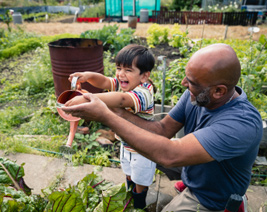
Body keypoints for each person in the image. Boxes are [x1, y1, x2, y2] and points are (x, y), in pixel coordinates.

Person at [62, 43, 263, 211]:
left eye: (191, 82)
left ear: (219, 91)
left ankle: (231, 204)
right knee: (147, 150)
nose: (184, 83)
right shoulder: (196, 95)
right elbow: (162, 131)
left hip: (211, 196)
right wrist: (119, 113)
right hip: (194, 163)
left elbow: (170, 155)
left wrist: (105, 114)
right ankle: (189, 179)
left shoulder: (241, 123)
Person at [64, 44, 156, 209]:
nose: (121, 74)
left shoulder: (144, 93)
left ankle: (139, 206)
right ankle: (129, 200)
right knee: (128, 174)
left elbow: (121, 100)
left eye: (128, 70)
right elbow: (105, 81)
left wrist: (87, 99)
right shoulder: (124, 83)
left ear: (144, 76)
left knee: (140, 180)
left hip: (143, 149)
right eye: (118, 68)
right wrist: (88, 76)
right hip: (126, 143)